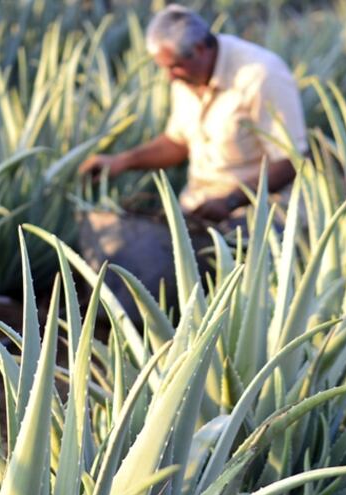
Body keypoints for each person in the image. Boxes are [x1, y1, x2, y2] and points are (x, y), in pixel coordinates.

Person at [76, 4, 306, 311]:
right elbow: (177, 141)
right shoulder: (188, 75)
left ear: (199, 49)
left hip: (260, 213)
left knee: (231, 302)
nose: (169, 77)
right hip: (200, 207)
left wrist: (231, 200)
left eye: (174, 67)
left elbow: (290, 161)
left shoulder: (261, 75)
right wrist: (122, 161)